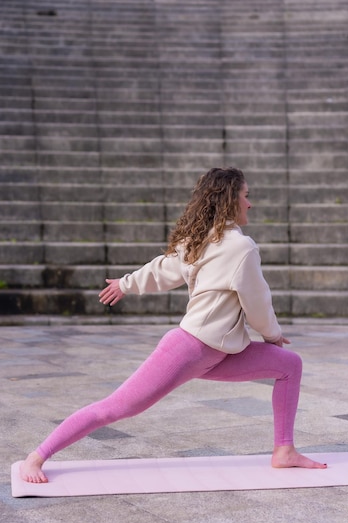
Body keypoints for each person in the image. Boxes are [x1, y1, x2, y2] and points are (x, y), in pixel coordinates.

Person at [20, 167, 327, 483]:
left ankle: (284, 450)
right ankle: (37, 456)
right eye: (246, 196)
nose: (250, 204)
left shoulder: (204, 238)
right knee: (115, 409)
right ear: (229, 200)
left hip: (220, 352)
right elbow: (256, 302)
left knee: (290, 365)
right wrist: (272, 335)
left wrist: (125, 284)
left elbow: (163, 268)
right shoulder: (240, 247)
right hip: (190, 349)